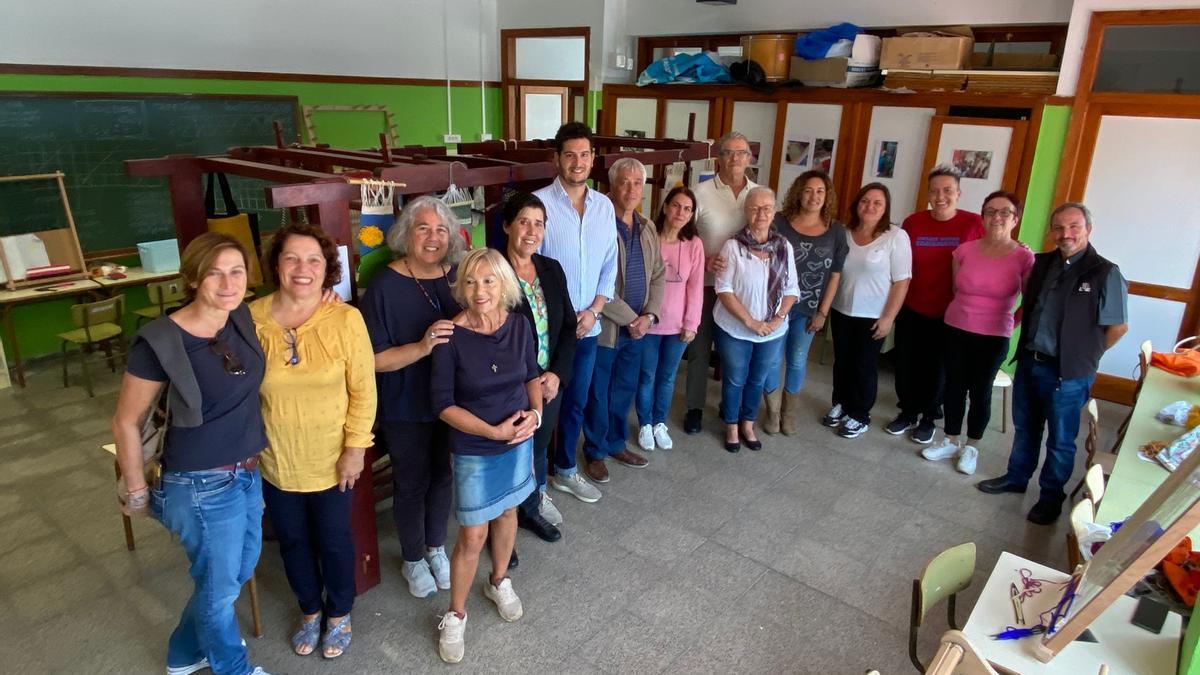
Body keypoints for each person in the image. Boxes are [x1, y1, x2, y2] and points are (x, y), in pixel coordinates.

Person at [112, 233, 272, 675]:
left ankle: (184, 653)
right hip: (199, 483)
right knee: (220, 588)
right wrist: (138, 491)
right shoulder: (160, 341)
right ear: (193, 278)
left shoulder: (238, 316)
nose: (228, 282)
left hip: (246, 470)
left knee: (233, 573)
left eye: (237, 271)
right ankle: (233, 667)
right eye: (215, 273)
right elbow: (126, 420)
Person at [249, 224, 376, 659]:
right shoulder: (250, 318)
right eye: (291, 259)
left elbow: (363, 389)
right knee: (292, 541)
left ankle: (339, 612)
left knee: (334, 539)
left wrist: (356, 449)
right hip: (275, 459)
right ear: (276, 266)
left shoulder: (345, 319)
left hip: (333, 457)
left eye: (314, 261)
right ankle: (309, 610)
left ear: (328, 270)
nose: (302, 269)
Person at [978, 203, 1128, 525]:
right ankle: (1016, 479)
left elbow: (1117, 327)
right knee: (1026, 428)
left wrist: (1086, 357)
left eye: (1074, 227)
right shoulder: (1043, 264)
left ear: (1088, 229)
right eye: (1059, 227)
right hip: (1031, 363)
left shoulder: (1104, 272)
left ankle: (1050, 497)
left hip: (1069, 374)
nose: (1066, 234)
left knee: (1060, 439)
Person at [430, 248, 541, 664]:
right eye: (471, 282)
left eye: (489, 281)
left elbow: (531, 375)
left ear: (503, 285)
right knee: (472, 535)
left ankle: (498, 581)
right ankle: (455, 614)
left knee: (509, 511)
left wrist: (535, 415)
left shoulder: (519, 325)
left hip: (518, 438)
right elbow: (443, 405)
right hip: (476, 445)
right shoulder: (448, 337)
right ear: (461, 286)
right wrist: (493, 431)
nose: (480, 291)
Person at [360, 195, 466, 598]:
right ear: (406, 234)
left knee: (443, 474)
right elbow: (374, 360)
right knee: (411, 482)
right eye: (423, 228)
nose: (433, 237)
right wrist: (423, 347)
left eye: (441, 229)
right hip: (405, 401)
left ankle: (435, 546)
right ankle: (411, 557)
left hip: (451, 399)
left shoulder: (455, 274)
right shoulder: (385, 286)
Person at [919, 192, 1034, 475]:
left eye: (1004, 212)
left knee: (980, 390)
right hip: (956, 327)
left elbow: (1030, 302)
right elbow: (958, 290)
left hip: (994, 335)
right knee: (954, 387)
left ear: (1015, 219)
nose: (997, 217)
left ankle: (972, 446)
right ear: (982, 217)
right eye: (991, 211)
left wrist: (1008, 324)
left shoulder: (1024, 257)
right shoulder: (965, 251)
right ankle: (950, 440)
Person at [534, 122, 616, 504]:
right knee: (542, 408)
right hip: (548, 328)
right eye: (570, 154)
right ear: (557, 159)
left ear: (593, 159)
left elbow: (609, 264)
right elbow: (529, 266)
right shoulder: (539, 206)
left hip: (588, 325)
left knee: (576, 401)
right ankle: (534, 488)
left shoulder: (604, 206)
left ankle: (566, 469)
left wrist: (596, 309)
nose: (578, 162)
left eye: (584, 154)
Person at [581, 157, 664, 482]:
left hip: (638, 330)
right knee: (598, 392)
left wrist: (649, 316)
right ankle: (595, 451)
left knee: (624, 390)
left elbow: (658, 272)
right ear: (611, 186)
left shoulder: (648, 226)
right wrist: (632, 318)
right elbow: (594, 283)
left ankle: (616, 443)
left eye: (637, 183)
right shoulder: (597, 225)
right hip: (606, 329)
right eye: (624, 182)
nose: (631, 189)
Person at [888, 166, 984, 444]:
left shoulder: (973, 223)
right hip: (912, 306)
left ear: (958, 193)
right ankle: (907, 412)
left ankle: (930, 417)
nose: (940, 196)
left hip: (951, 312)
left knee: (938, 368)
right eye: (934, 191)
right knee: (906, 363)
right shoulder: (913, 222)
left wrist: (1023, 247)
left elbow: (996, 248)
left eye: (947, 191)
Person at [503, 192, 576, 543]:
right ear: (507, 226)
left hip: (550, 383)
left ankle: (529, 511)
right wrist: (533, 379)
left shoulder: (551, 269)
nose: (532, 231)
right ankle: (498, 532)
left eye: (539, 223)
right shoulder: (493, 272)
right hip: (510, 386)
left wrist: (556, 375)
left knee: (538, 449)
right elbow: (489, 337)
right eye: (523, 221)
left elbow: (568, 326)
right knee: (507, 458)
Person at [761, 170, 848, 435]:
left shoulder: (836, 230)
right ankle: (772, 413)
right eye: (809, 190)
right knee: (773, 360)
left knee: (797, 360)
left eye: (820, 191)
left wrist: (823, 312)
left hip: (808, 310)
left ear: (827, 196)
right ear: (799, 192)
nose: (814, 196)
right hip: (775, 308)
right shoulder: (778, 222)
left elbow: (835, 275)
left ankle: (789, 414)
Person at [712, 186, 798, 453]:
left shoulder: (783, 246)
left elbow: (792, 288)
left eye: (767, 208)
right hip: (735, 328)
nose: (761, 213)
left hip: (772, 330)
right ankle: (731, 426)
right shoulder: (733, 246)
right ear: (746, 212)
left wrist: (778, 318)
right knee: (735, 378)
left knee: (757, 379)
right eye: (755, 208)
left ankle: (748, 423)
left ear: (774, 212)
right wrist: (751, 322)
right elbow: (723, 289)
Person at [684, 130, 759, 435]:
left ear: (749, 158)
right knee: (700, 349)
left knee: (735, 352)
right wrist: (704, 260)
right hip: (704, 285)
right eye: (728, 152)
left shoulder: (758, 194)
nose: (735, 159)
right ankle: (695, 408)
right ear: (718, 158)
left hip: (742, 291)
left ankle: (733, 410)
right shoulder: (699, 193)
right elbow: (682, 239)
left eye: (741, 153)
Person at [826, 183, 912, 439]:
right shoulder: (844, 232)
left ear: (885, 208)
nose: (870, 207)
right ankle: (841, 403)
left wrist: (888, 318)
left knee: (864, 364)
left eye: (877, 203)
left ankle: (860, 414)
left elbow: (902, 281)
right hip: (842, 309)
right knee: (842, 361)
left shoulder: (895, 236)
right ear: (857, 204)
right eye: (865, 201)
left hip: (873, 315)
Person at [636, 185, 704, 451]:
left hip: (678, 326)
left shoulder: (694, 245)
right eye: (676, 205)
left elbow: (696, 287)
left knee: (667, 377)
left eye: (687, 208)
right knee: (647, 376)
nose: (681, 212)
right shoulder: (649, 236)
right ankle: (644, 424)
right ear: (665, 207)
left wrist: (692, 323)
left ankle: (658, 423)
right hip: (649, 322)